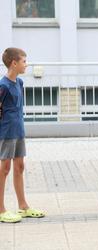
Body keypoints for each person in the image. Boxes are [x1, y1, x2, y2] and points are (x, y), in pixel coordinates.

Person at [0, 48, 45, 223]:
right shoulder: (3, 86)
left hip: (18, 131)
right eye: (24, 61)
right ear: (14, 63)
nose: (26, 64)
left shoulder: (19, 83)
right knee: (4, 169)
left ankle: (23, 206)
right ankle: (1, 209)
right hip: (6, 132)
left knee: (19, 167)